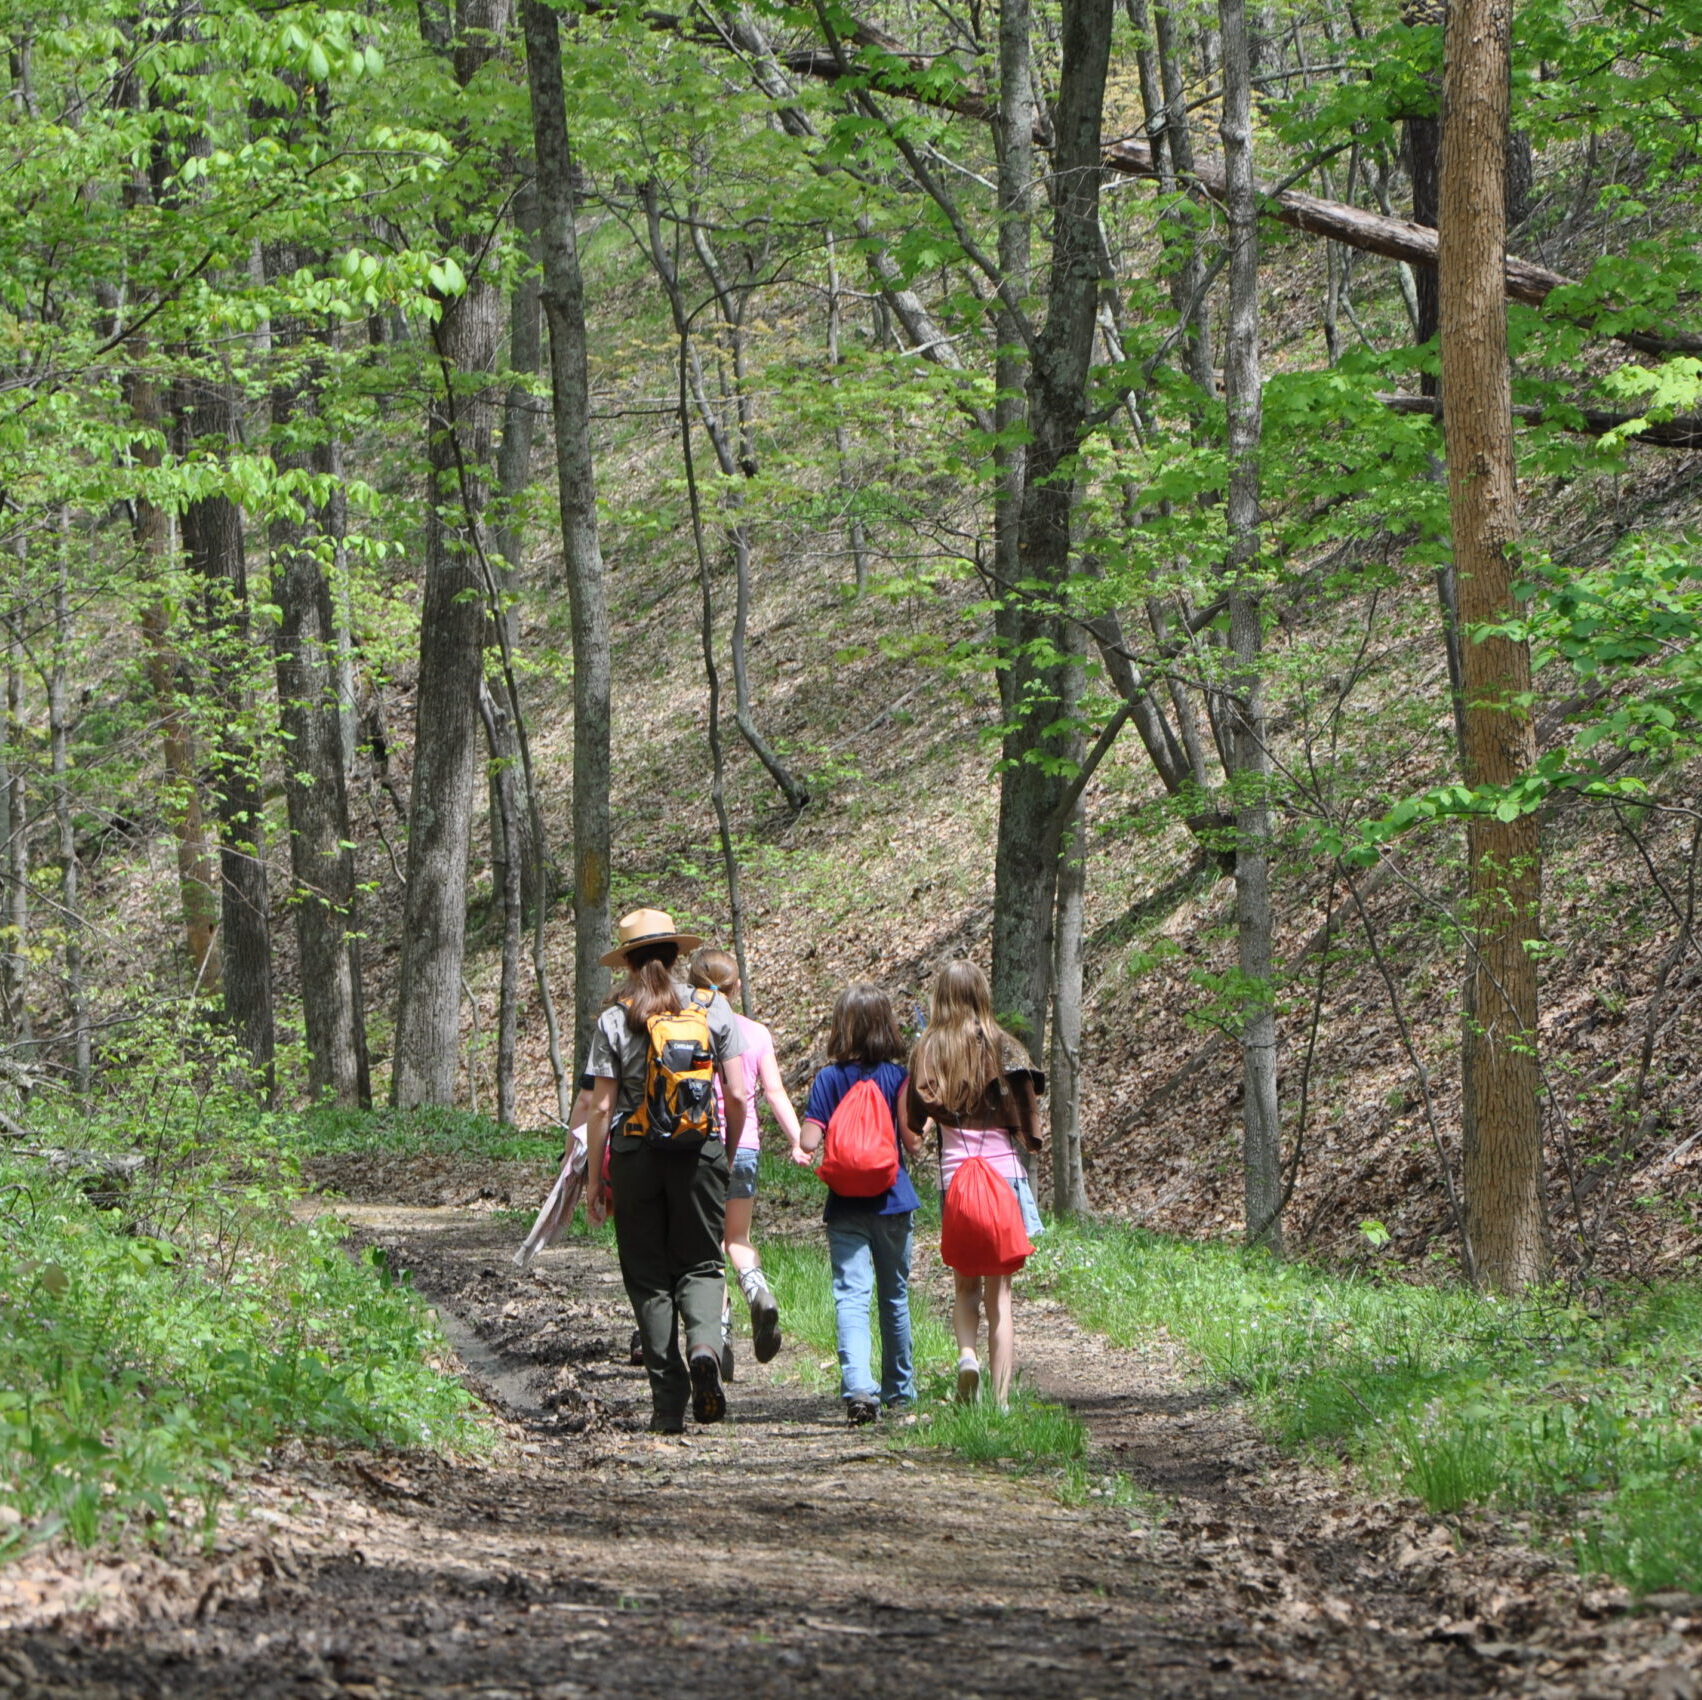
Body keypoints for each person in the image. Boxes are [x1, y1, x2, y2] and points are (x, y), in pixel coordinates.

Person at [585, 909, 751, 1433]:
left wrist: (596, 1179)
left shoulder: (615, 1017)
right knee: (702, 1264)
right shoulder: (712, 1006)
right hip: (700, 1152)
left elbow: (599, 1109)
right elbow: (740, 1093)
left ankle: (667, 1401)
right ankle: (705, 1345)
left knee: (648, 1276)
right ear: (677, 955)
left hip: (635, 1157)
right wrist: (723, 1150)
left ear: (629, 962)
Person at [905, 960, 1043, 1409]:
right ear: (982, 994)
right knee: (999, 1296)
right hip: (1004, 1178)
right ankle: (1000, 1402)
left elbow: (914, 1117)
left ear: (941, 998)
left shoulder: (929, 1050)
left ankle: (968, 1357)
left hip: (958, 1182)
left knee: (964, 1287)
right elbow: (1028, 1112)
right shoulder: (1005, 1047)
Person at [799, 983, 920, 1425]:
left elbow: (809, 1139)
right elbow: (912, 1140)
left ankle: (858, 1389)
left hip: (846, 1205)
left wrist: (817, 1137)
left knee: (851, 1297)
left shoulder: (829, 1079)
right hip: (893, 1201)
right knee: (894, 1297)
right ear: (886, 1027)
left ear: (842, 1028)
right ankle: (900, 1392)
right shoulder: (896, 1077)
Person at [687, 947, 804, 1375]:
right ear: (736, 988)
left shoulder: (686, 1030)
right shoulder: (756, 1033)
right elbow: (773, 1093)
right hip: (748, 1147)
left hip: (703, 1147)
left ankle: (718, 1336)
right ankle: (756, 1290)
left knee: (705, 1248)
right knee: (737, 1238)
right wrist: (798, 1140)